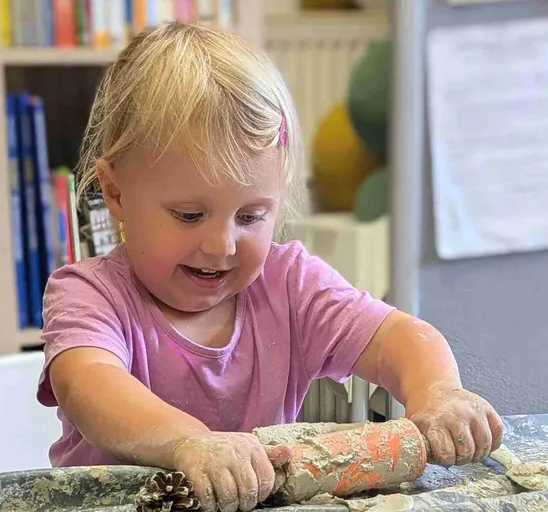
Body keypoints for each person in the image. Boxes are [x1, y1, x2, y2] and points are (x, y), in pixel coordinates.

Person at [37, 22, 504, 512]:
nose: (221, 245)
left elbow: (397, 338)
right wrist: (188, 443)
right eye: (189, 215)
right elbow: (87, 385)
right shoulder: (89, 295)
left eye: (250, 217)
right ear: (114, 192)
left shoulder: (290, 284)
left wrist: (438, 392)